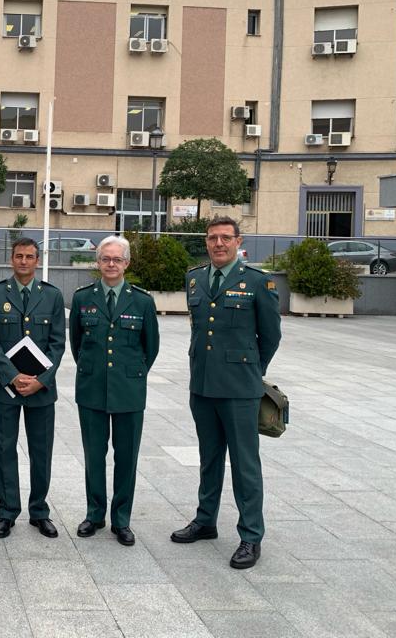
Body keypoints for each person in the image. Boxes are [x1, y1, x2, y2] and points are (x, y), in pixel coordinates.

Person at [171, 216, 281, 569]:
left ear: (238, 241)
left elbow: (271, 336)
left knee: (245, 464)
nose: (218, 244)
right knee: (209, 458)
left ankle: (251, 535)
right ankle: (205, 520)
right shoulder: (195, 279)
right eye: (212, 238)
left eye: (225, 238)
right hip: (202, 384)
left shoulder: (257, 282)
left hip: (239, 388)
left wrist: (250, 371)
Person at [69, 234, 159, 546]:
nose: (111, 264)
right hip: (92, 389)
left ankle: (121, 520)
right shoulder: (83, 298)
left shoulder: (142, 301)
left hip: (129, 391)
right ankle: (95, 514)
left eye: (117, 259)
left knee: (126, 457)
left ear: (126, 263)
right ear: (98, 262)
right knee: (94, 455)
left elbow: (151, 348)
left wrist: (130, 375)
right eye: (105, 259)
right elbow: (77, 344)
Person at [0, 237, 65, 538]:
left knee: (41, 451)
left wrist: (41, 380)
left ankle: (39, 511)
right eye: (19, 256)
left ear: (37, 260)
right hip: (5, 387)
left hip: (41, 389)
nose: (24, 261)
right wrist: (13, 376)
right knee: (4, 449)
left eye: (29, 256)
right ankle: (7, 512)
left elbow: (57, 343)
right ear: (11, 259)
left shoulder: (52, 296)